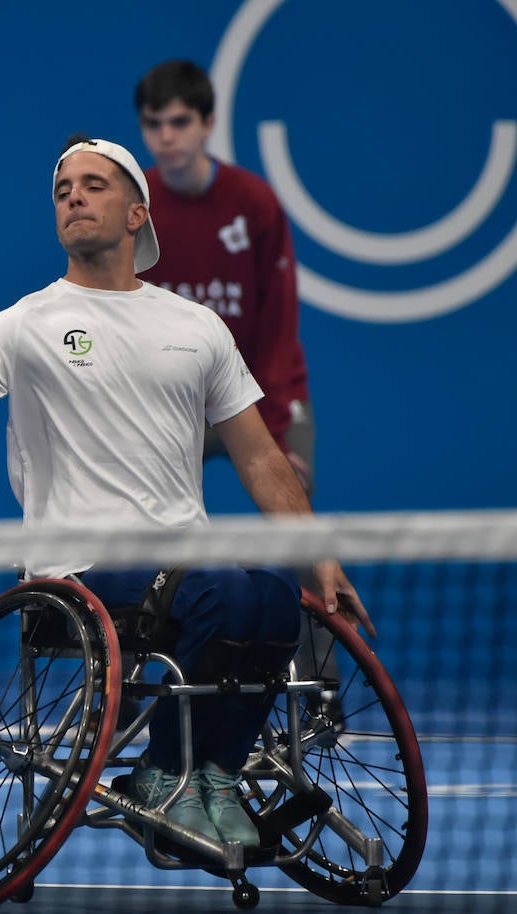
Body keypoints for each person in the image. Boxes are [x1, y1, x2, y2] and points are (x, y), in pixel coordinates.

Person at [0, 134, 375, 849]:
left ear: (136, 214)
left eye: (94, 185)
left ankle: (212, 775)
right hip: (79, 578)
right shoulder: (23, 324)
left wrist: (320, 560)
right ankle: (162, 775)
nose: (73, 197)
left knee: (275, 596)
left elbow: (262, 460)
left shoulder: (197, 328)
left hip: (187, 571)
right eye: (63, 190)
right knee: (218, 591)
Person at [134, 59, 342, 707]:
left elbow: (279, 326)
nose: (166, 136)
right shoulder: (133, 205)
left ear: (208, 124)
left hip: (259, 395)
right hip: (176, 405)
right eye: (153, 124)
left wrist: (280, 439)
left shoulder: (254, 203)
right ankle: (145, 675)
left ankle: (320, 682)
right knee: (136, 514)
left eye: (180, 122)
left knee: (295, 517)